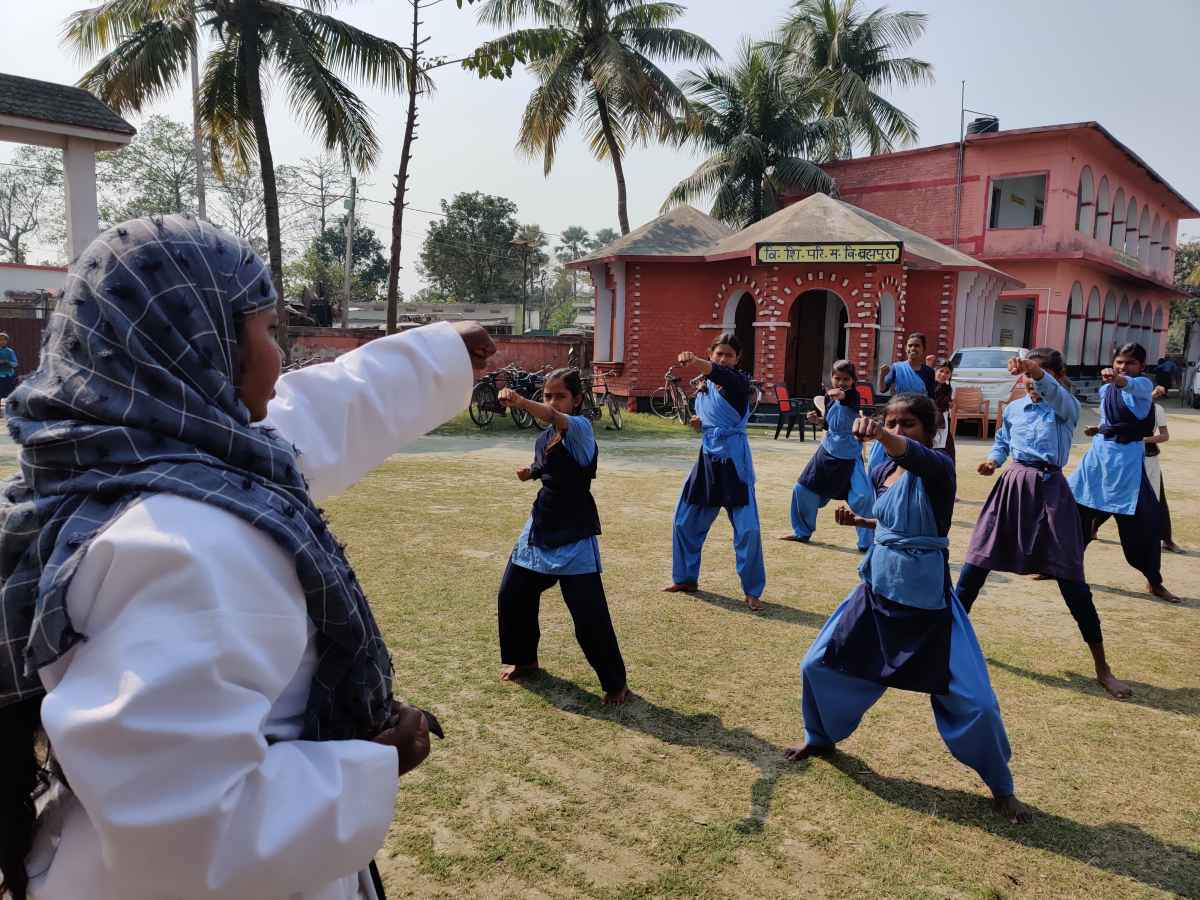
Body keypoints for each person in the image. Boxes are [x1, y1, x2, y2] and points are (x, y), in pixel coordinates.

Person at [0, 215, 496, 900]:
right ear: (199, 348)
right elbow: (186, 826)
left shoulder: (112, 459)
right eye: (264, 331)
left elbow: (297, 422)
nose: (277, 359)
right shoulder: (187, 546)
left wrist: (435, 358)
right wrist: (373, 764)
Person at [784, 394, 1028, 823]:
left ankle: (1000, 786)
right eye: (890, 422)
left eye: (907, 424)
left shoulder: (938, 468)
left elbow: (918, 479)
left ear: (929, 431)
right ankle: (820, 737)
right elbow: (897, 518)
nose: (897, 431)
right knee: (817, 665)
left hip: (926, 600)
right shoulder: (881, 469)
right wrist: (862, 523)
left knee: (977, 705)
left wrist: (879, 432)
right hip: (876, 589)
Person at [954, 350, 1131, 700]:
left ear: (1058, 377)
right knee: (973, 568)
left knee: (1072, 580)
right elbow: (1004, 440)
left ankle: (1102, 667)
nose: (1032, 383)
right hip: (1011, 488)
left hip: (1051, 493)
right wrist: (993, 460)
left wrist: (1035, 371)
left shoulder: (1066, 409)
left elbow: (1050, 389)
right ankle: (942, 644)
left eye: (1040, 376)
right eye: (1028, 377)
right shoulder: (1016, 408)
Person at [494, 373, 630, 705]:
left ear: (576, 400)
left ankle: (616, 685)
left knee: (589, 616)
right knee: (512, 595)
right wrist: (531, 472)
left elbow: (555, 419)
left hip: (575, 530)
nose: (551, 403)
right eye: (547, 395)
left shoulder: (581, 428)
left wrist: (523, 402)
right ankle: (524, 659)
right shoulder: (544, 438)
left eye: (560, 396)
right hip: (541, 523)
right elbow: (547, 462)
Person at [1069, 343, 1180, 603]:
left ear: (1141, 366)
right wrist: (1098, 428)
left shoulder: (1141, 385)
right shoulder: (1106, 389)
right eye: (1119, 362)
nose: (1123, 367)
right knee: (1073, 518)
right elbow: (1113, 419)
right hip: (1097, 461)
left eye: (1130, 363)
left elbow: (1127, 387)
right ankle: (1059, 567)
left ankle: (1154, 581)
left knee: (1144, 526)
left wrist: (1119, 378)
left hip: (1126, 465)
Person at [664, 333, 766, 611]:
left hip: (734, 462)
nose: (723, 359)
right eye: (718, 354)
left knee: (748, 531)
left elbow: (720, 375)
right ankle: (685, 578)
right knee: (684, 521)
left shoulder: (738, 382)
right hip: (708, 459)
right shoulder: (704, 386)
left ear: (737, 359)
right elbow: (709, 416)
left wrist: (694, 360)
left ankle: (752, 590)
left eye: (729, 355)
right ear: (712, 353)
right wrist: (700, 423)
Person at [783, 359, 873, 551]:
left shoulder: (853, 395)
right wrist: (818, 421)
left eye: (846, 379)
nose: (841, 382)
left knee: (863, 497)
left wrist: (834, 392)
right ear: (831, 377)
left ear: (853, 381)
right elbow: (832, 424)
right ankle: (802, 532)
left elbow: (843, 396)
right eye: (837, 378)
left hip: (850, 454)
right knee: (802, 489)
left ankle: (867, 543)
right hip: (827, 451)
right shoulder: (828, 399)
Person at [1144, 386, 1181, 553]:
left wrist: (1144, 439)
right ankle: (1092, 528)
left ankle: (1166, 539)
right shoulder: (1122, 406)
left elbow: (1165, 435)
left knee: (1158, 500)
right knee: (1113, 495)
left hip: (1149, 458)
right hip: (1125, 459)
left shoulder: (1156, 409)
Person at [877, 332, 936, 398]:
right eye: (910, 345)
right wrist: (882, 375)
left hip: (920, 407)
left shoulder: (929, 371)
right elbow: (882, 389)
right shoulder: (897, 368)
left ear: (923, 349)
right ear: (905, 348)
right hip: (901, 406)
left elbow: (931, 396)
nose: (913, 348)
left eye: (917, 346)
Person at [931, 359, 955, 458]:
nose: (943, 374)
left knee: (948, 449)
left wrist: (949, 404)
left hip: (943, 421)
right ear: (935, 371)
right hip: (931, 419)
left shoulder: (948, 388)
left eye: (947, 372)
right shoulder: (930, 385)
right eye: (941, 371)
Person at [0, 332, 18, 404]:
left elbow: (15, 364)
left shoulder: (10, 351)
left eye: (4, 340)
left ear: (7, 341)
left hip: (9, 376)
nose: (2, 341)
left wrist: (7, 362)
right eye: (0, 340)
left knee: (10, 395)